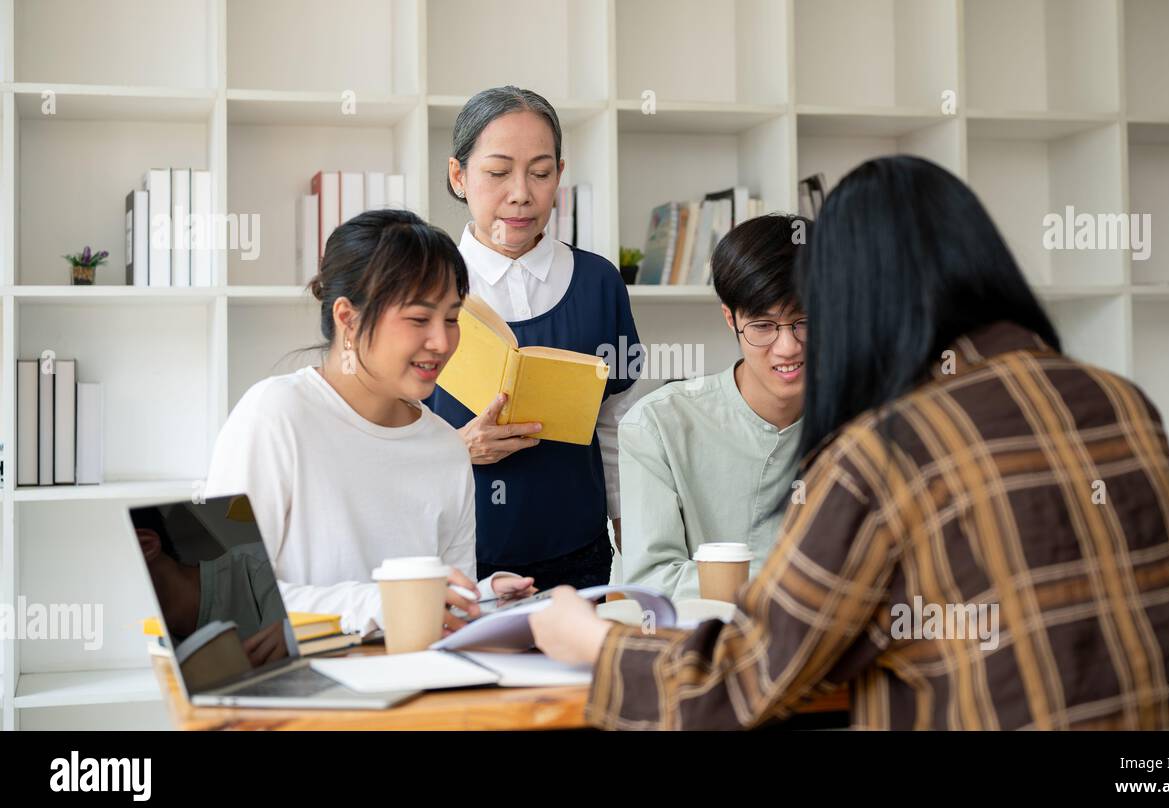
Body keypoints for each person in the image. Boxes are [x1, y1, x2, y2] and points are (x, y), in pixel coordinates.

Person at [529, 155, 1169, 730]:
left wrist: (591, 640)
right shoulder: (1119, 399)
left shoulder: (890, 446)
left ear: (853, 297)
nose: (795, 342)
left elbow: (744, 679)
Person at [205, 210, 535, 637]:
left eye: (452, 318)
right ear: (348, 318)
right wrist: (381, 603)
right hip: (306, 694)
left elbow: (443, 612)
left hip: (417, 690)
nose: (441, 341)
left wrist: (484, 601)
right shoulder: (274, 415)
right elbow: (221, 597)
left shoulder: (444, 447)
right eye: (419, 318)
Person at [428, 86, 641, 591]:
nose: (521, 193)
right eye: (498, 173)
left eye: (541, 173)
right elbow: (381, 437)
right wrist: (458, 448)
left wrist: (628, 522)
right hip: (455, 556)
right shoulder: (424, 287)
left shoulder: (599, 282)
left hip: (578, 555)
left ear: (559, 176)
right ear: (459, 177)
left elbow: (615, 424)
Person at [619, 214, 809, 599]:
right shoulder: (658, 424)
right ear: (731, 319)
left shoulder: (867, 421)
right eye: (763, 327)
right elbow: (653, 580)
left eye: (805, 321)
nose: (788, 346)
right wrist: (800, 586)